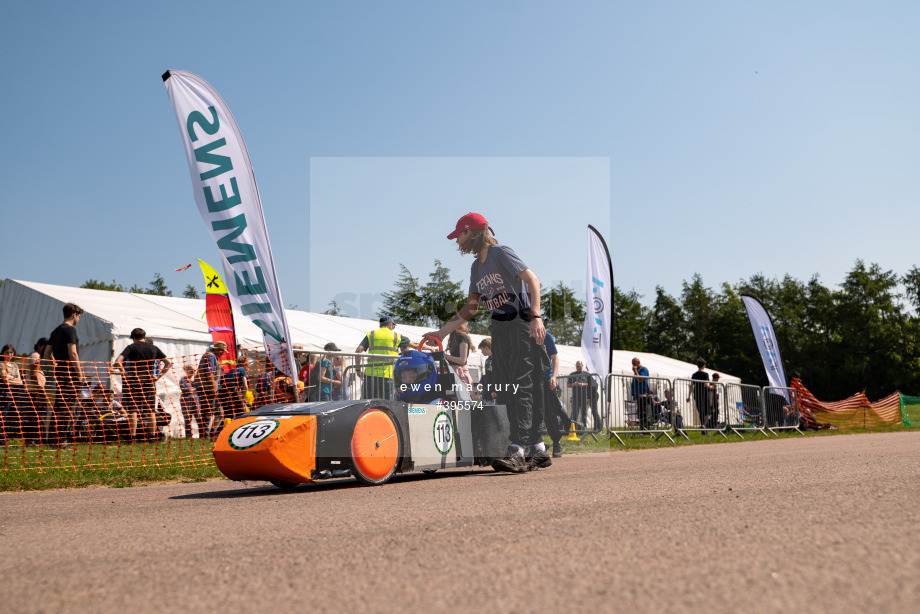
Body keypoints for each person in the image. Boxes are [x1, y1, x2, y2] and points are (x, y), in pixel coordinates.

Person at [429, 212, 550, 473]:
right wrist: (441, 333)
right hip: (500, 327)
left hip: (520, 323)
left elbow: (533, 281)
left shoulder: (500, 252)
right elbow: (471, 306)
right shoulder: (476, 268)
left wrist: (536, 316)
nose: (457, 242)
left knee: (522, 385)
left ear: (472, 232)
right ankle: (538, 449)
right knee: (509, 388)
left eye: (459, 235)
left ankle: (517, 450)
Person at [113, 328, 171, 441]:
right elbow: (168, 363)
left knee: (133, 411)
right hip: (149, 382)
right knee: (150, 411)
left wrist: (124, 373)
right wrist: (158, 376)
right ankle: (152, 438)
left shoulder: (131, 347)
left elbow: (117, 361)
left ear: (133, 337)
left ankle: (133, 438)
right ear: (144, 336)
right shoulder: (154, 348)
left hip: (134, 382)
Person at [44, 302, 86, 449]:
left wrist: (55, 365)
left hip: (60, 372)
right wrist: (80, 374)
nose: (79, 320)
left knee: (58, 406)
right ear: (74, 315)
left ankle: (52, 440)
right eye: (79, 316)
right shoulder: (70, 331)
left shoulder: (55, 332)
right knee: (67, 407)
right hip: (70, 374)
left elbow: (47, 354)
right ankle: (61, 441)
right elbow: (73, 353)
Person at [355, 316, 416, 400]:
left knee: (366, 403)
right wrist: (431, 348)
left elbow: (358, 350)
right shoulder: (396, 336)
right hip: (387, 376)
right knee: (387, 405)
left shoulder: (371, 334)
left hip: (370, 376)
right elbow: (415, 344)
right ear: (390, 325)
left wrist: (358, 370)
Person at [540, 327, 570, 458]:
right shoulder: (523, 336)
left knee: (549, 412)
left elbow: (555, 358)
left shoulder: (547, 337)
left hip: (547, 378)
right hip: (530, 380)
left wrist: (554, 377)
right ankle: (537, 445)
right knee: (533, 412)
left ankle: (556, 442)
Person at [194, 341, 225, 439]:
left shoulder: (210, 356)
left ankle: (207, 434)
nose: (223, 353)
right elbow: (209, 372)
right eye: (223, 351)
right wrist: (213, 387)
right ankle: (206, 435)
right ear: (219, 350)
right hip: (207, 388)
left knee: (208, 411)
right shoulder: (211, 356)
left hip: (206, 388)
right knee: (207, 412)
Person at [23, 338, 49, 444]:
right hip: (35, 390)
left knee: (37, 415)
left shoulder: (39, 357)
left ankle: (33, 438)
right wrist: (38, 393)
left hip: (38, 389)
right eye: (45, 347)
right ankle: (31, 439)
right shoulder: (35, 356)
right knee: (36, 415)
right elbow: (33, 375)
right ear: (39, 346)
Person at [1, 344, 27, 441]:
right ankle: (1, 438)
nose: (9, 354)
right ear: (3, 353)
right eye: (7, 352)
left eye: (11, 352)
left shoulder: (15, 365)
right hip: (3, 393)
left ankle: (5, 435)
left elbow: (20, 381)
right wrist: (13, 379)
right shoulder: (1, 364)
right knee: (3, 414)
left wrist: (10, 378)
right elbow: (4, 379)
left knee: (10, 415)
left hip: (14, 393)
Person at [445, 322, 475, 396]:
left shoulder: (462, 337)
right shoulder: (455, 337)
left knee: (463, 399)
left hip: (460, 372)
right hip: (454, 371)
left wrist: (446, 356)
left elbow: (462, 360)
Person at [219, 355, 249, 420]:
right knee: (241, 414)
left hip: (225, 395)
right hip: (234, 394)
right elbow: (245, 386)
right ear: (246, 363)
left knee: (228, 415)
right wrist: (243, 398)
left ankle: (222, 429)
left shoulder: (232, 370)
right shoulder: (242, 370)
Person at [687, 358, 712, 431]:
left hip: (697, 394)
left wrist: (688, 396)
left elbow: (691, 386)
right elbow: (706, 385)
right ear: (704, 365)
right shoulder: (705, 374)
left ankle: (703, 425)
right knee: (707, 411)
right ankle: (704, 426)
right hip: (704, 394)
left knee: (700, 411)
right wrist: (711, 387)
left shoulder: (694, 374)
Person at [178, 364, 203, 438]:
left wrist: (192, 389)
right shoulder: (183, 379)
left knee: (199, 417)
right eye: (191, 370)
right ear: (186, 371)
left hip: (196, 401)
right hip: (186, 401)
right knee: (188, 419)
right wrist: (194, 389)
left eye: (194, 370)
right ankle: (188, 436)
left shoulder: (197, 379)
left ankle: (202, 435)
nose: (193, 371)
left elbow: (200, 388)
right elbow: (184, 390)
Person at [631, 357, 653, 429]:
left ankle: (645, 428)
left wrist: (635, 371)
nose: (633, 365)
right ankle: (643, 427)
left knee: (643, 411)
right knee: (639, 412)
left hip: (642, 394)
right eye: (632, 364)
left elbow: (640, 380)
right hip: (637, 394)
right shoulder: (638, 370)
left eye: (634, 363)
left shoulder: (644, 369)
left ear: (638, 362)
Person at [568, 361, 590, 429]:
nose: (577, 368)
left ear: (582, 365)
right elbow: (568, 385)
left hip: (584, 397)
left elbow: (590, 384)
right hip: (575, 397)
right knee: (574, 414)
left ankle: (584, 429)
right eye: (576, 366)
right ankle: (572, 428)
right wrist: (574, 384)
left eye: (579, 366)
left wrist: (582, 384)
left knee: (584, 414)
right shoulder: (572, 374)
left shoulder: (587, 374)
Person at [477, 338, 496, 405]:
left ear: (486, 347)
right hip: (487, 393)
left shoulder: (496, 358)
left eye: (482, 349)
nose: (481, 352)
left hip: (494, 392)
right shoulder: (487, 360)